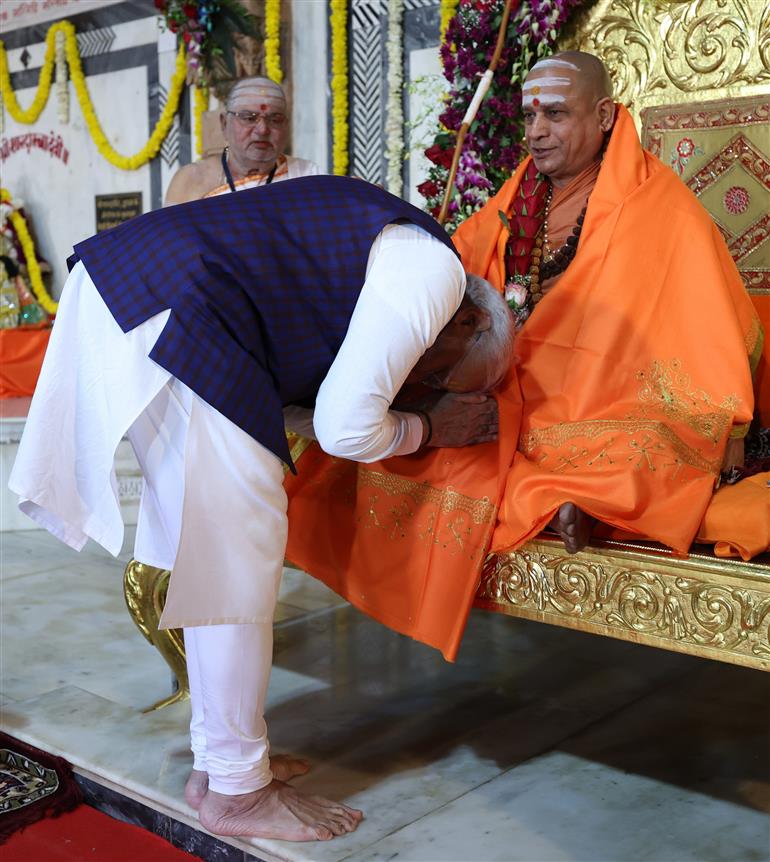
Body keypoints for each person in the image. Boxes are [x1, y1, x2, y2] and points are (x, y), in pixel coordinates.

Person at [8, 175, 512, 841]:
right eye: (443, 377)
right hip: (183, 309)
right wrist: (431, 429)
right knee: (235, 563)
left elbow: (289, 403)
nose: (421, 384)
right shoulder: (435, 272)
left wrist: (408, 416)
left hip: (137, 290)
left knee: (207, 559)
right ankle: (239, 794)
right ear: (470, 319)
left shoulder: (390, 255)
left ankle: (220, 767)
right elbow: (343, 426)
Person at [280, 51, 766, 665]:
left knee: (639, 446)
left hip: (614, 394)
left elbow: (699, 340)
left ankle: (583, 504)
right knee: (394, 441)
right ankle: (567, 500)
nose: (536, 131)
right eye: (530, 115)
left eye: (556, 115)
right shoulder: (518, 197)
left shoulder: (662, 208)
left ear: (606, 116)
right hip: (507, 384)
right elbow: (456, 277)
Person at [164, 77, 319, 205]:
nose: (263, 129)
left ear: (286, 126)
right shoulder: (191, 180)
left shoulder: (308, 177)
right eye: (249, 118)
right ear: (224, 124)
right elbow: (169, 240)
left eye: (275, 119)